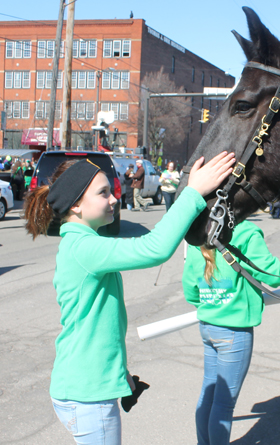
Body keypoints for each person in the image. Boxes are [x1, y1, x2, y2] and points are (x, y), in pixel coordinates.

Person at [22, 152, 235, 444]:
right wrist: (194, 193)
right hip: (87, 397)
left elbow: (97, 327)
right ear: (76, 205)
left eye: (111, 190)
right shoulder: (82, 248)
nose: (113, 199)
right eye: (103, 193)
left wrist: (121, 376)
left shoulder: (83, 244)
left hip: (87, 387)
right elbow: (154, 248)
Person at [182, 221, 280, 445]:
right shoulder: (245, 232)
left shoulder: (197, 232)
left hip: (208, 327)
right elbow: (273, 275)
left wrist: (213, 303)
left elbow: (191, 290)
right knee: (223, 404)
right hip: (235, 332)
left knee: (209, 394)